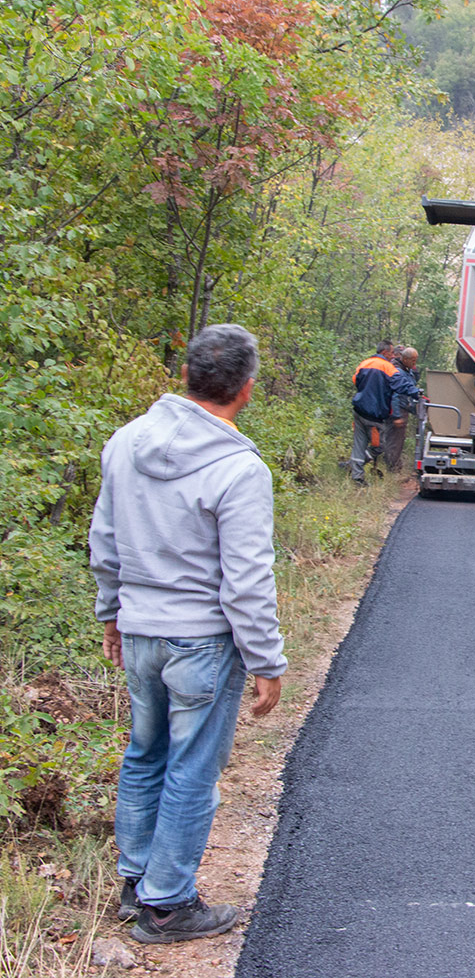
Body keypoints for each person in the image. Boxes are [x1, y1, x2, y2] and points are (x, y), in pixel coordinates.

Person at [89, 323, 285, 946]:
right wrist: (267, 660)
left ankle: (136, 881)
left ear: (186, 375)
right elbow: (246, 578)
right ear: (246, 389)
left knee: (143, 755)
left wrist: (111, 612)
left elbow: (106, 539)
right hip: (200, 641)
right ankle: (169, 904)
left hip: (141, 632)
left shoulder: (125, 443)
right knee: (192, 770)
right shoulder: (238, 467)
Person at [348, 340, 402, 484]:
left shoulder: (364, 363)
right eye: (391, 353)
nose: (393, 356)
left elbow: (356, 381)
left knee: (359, 443)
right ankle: (353, 467)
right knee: (379, 446)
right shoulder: (387, 367)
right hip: (374, 415)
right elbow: (396, 391)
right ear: (384, 352)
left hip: (359, 410)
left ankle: (357, 476)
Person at [383, 347, 421, 472]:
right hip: (398, 410)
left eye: (416, 361)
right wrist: (396, 416)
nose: (414, 364)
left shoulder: (407, 370)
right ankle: (392, 468)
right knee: (394, 439)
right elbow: (395, 395)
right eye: (412, 361)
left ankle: (394, 464)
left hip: (404, 408)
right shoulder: (398, 372)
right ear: (404, 359)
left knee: (398, 439)